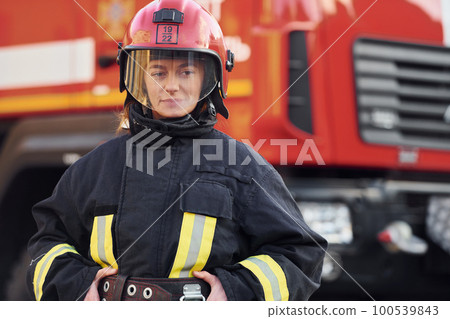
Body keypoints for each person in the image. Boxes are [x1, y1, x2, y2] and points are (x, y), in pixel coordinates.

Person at [27, 0, 327, 301]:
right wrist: (78, 288)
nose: (171, 86)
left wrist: (236, 293)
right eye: (157, 72)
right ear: (136, 78)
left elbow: (300, 253)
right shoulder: (96, 167)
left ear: (211, 79)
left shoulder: (241, 167)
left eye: (186, 72)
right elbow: (48, 243)